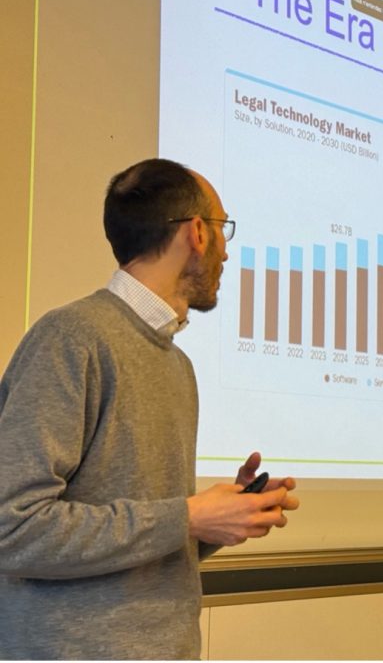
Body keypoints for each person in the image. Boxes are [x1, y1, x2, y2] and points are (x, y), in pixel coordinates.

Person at [0, 159, 299, 659]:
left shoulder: (177, 366)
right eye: (223, 228)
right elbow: (13, 528)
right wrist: (187, 516)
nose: (227, 250)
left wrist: (222, 516)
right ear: (197, 233)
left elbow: (145, 540)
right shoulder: (70, 338)